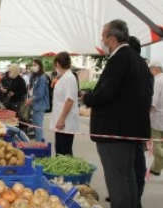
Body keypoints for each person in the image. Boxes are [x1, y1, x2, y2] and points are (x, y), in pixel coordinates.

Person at [82, 20, 153, 208]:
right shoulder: (138, 60)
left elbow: (106, 93)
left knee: (118, 182)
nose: (102, 41)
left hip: (115, 132)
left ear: (112, 38)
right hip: (130, 131)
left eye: (103, 37)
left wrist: (88, 98)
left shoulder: (119, 59)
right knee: (128, 179)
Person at [50, 52, 80, 155]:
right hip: (60, 122)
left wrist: (62, 119)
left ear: (57, 64)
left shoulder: (69, 78)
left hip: (65, 122)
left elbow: (69, 100)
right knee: (59, 150)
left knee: (64, 152)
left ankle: (68, 171)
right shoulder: (63, 77)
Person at [25, 59, 50, 141]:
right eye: (33, 65)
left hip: (39, 105)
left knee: (38, 127)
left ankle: (39, 144)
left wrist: (30, 100)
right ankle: (40, 141)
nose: (33, 66)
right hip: (35, 105)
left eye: (35, 65)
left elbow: (40, 93)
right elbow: (32, 88)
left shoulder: (42, 77)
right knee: (36, 126)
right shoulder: (34, 76)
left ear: (40, 66)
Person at [149, 61, 163, 176]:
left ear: (155, 70)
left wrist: (147, 115)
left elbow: (153, 102)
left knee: (155, 144)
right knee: (161, 144)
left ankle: (157, 167)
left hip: (158, 118)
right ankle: (156, 168)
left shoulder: (157, 81)